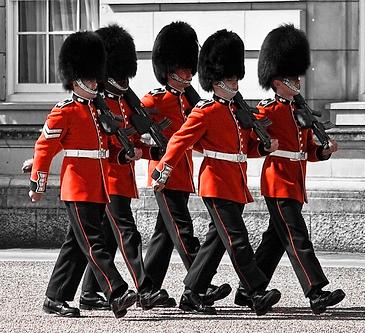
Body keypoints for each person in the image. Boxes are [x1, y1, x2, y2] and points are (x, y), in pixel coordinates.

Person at [151, 29, 281, 316]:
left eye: (236, 78)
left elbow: (245, 148)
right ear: (215, 81)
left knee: (217, 242)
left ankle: (192, 292)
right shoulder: (205, 110)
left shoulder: (235, 112)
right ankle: (256, 291)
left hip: (235, 181)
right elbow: (179, 140)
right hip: (216, 182)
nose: (235, 84)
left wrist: (265, 148)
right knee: (237, 239)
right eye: (230, 79)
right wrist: (164, 169)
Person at [233, 24, 345, 315]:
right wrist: (264, 147)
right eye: (292, 77)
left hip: (296, 181)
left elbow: (306, 151)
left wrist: (324, 150)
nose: (298, 81)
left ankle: (247, 291)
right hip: (278, 181)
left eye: (297, 76)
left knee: (275, 240)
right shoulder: (266, 110)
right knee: (297, 236)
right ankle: (315, 291)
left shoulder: (300, 112)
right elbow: (247, 145)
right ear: (277, 80)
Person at [29, 31, 137, 318]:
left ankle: (55, 297)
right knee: (94, 242)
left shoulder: (98, 110)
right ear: (75, 79)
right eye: (89, 79)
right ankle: (116, 290)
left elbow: (109, 148)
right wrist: (38, 183)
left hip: (98, 186)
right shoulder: (63, 111)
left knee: (76, 245)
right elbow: (44, 147)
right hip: (77, 187)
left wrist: (123, 154)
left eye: (94, 77)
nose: (94, 82)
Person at [78, 24, 171, 312]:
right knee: (128, 232)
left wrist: (150, 150)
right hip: (106, 179)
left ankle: (90, 294)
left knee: (106, 237)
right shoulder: (98, 103)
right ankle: (145, 288)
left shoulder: (124, 101)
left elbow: (131, 139)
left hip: (121, 177)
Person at [141, 21, 231, 307]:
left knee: (164, 236)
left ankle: (149, 290)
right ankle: (200, 285)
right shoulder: (152, 102)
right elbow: (131, 133)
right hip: (164, 177)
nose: (190, 73)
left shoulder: (190, 101)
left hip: (184, 175)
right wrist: (150, 152)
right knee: (183, 230)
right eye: (184, 68)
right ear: (169, 70)